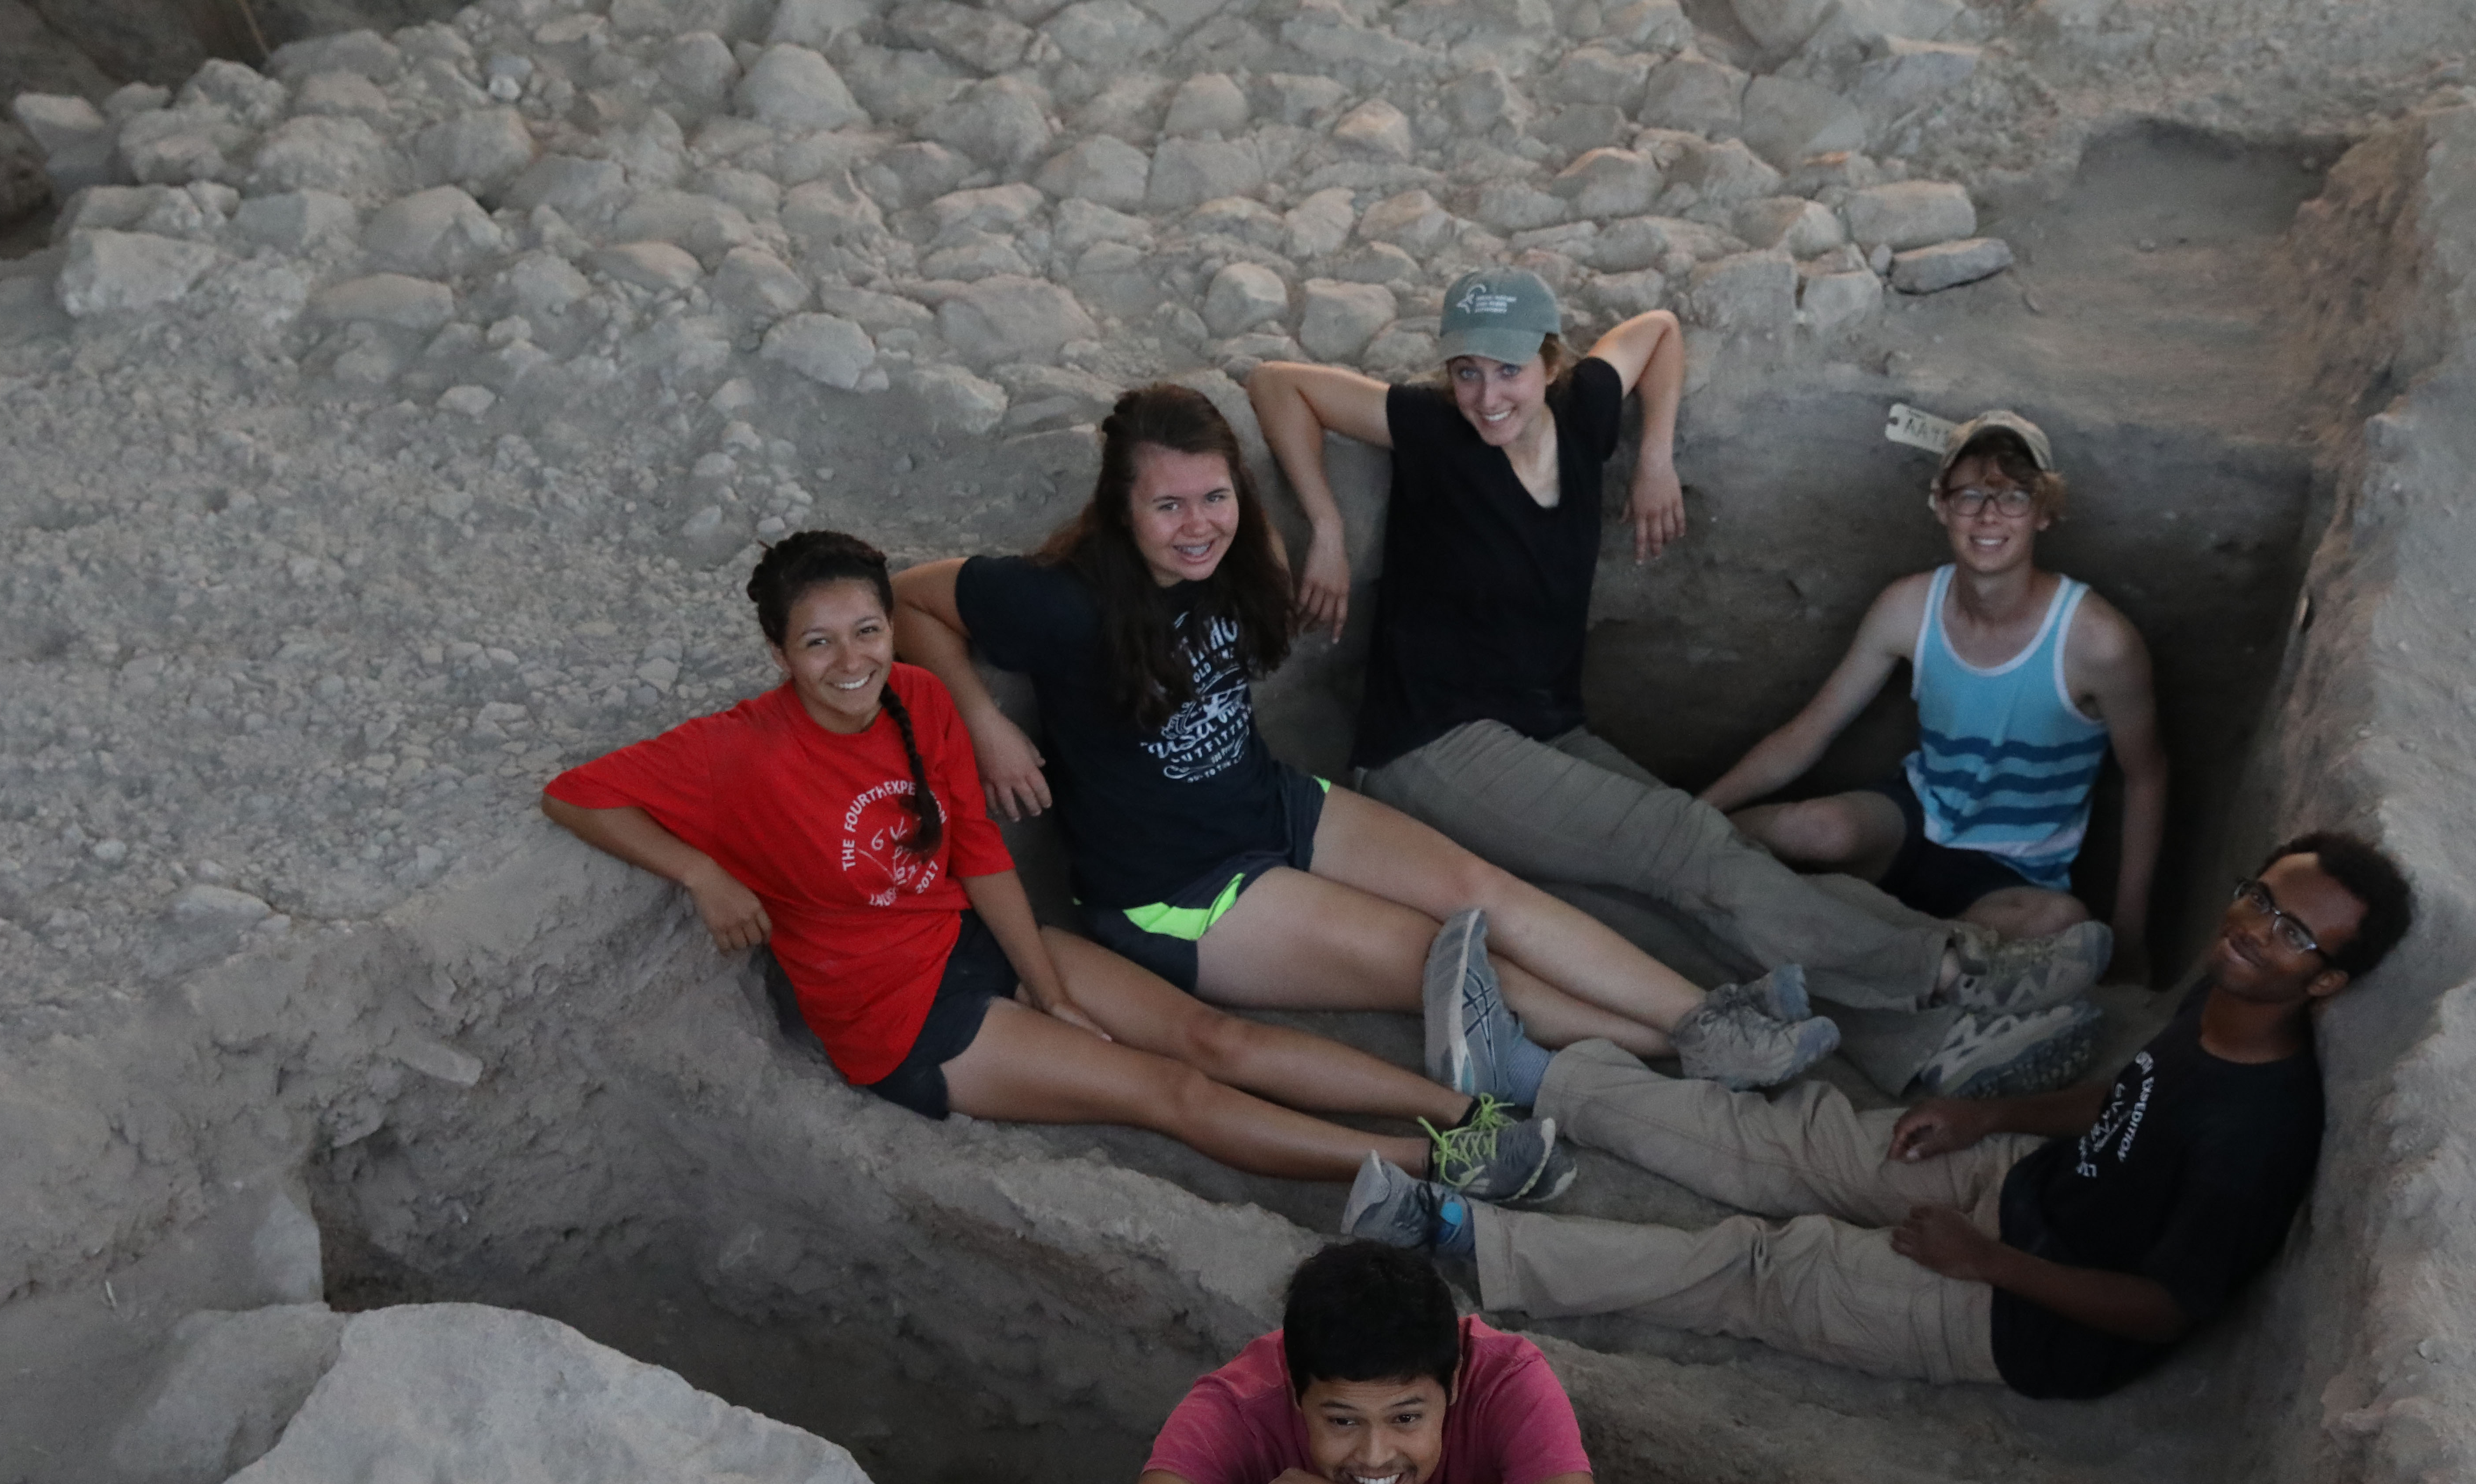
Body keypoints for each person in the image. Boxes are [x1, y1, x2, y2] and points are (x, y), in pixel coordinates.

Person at [1246, 269, 2110, 1099]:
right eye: (1465, 371)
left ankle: (1929, 1047)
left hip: (1542, 728)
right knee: (1686, 845)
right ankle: (1958, 968)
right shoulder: (1433, 426)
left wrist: (1654, 456)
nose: (1486, 395)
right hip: (1432, 747)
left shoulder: (1584, 408)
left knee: (1688, 901)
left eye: (1507, 369)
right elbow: (1280, 385)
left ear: (1550, 363)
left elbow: (1657, 332)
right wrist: (1326, 526)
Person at [542, 529, 1570, 1201]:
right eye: (818, 645)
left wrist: (1048, 985)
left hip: (968, 937)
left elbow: (979, 849)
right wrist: (701, 873)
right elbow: (575, 794)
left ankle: (1465, 1112)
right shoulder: (737, 749)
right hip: (901, 1018)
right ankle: (1435, 1163)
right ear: (779, 654)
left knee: (1214, 1035)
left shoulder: (917, 697)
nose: (851, 662)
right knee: (1167, 1089)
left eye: (867, 631)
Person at [887, 381, 1839, 1100]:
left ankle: (1706, 1013)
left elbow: (1259, 462)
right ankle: (1685, 1048)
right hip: (1179, 893)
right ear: (1120, 509)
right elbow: (908, 598)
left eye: (1214, 497)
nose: (1197, 527)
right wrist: (982, 720)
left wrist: (1325, 532)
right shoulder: (1059, 602)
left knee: (1482, 889)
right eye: (1167, 506)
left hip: (1267, 802)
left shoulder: (1233, 555)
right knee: (1443, 957)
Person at [1342, 834, 2416, 1398]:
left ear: (2327, 983)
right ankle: (1533, 1074)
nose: (2255, 930)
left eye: (2294, 934)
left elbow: (2164, 1309)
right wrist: (1986, 1113)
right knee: (1791, 1139)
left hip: (2030, 1318)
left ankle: (1465, 1237)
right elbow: (2129, 1102)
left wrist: (1987, 1264)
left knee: (1765, 1268)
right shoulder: (2224, 997)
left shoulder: (2260, 1133)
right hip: (2027, 1186)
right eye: (2260, 898)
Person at [1701, 410, 2170, 969]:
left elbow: (2146, 776)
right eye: (1970, 495)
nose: (1989, 515)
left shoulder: (2099, 642)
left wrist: (2131, 933)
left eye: (2014, 496)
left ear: (2044, 512)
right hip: (1915, 821)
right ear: (1940, 505)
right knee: (1817, 828)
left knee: (2063, 922)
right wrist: (1699, 812)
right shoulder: (1908, 607)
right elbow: (1809, 732)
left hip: (2012, 875)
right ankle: (1698, 844)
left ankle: (1871, 936)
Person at [1093, 1240, 1622, 1484]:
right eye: (1343, 1421)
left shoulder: (1506, 1380)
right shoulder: (1238, 1406)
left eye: (1406, 1418)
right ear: (1295, 1393)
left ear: (1455, 1384)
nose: (1375, 1455)